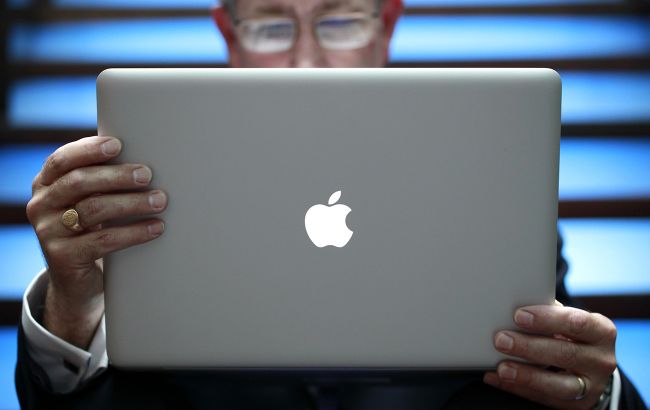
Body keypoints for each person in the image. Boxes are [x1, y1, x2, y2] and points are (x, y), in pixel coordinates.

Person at [15, 0, 647, 409]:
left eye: (340, 20)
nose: (306, 59)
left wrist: (599, 394)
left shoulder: (487, 195)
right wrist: (73, 311)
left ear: (387, 27)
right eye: (271, 24)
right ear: (228, 35)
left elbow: (546, 384)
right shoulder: (141, 195)